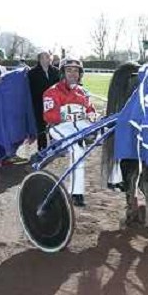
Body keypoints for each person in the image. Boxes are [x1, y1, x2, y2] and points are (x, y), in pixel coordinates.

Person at [43, 58, 97, 207]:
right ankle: (76, 193)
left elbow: (91, 110)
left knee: (111, 135)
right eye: (69, 70)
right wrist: (69, 115)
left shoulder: (84, 92)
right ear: (63, 73)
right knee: (77, 150)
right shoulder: (52, 91)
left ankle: (116, 180)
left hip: (79, 126)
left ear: (80, 74)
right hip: (60, 127)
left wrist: (92, 115)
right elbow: (49, 116)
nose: (73, 74)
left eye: (76, 71)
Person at [28, 50, 60, 151]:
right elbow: (30, 88)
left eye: (48, 57)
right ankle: (42, 147)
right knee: (41, 126)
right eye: (45, 57)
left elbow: (59, 86)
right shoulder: (32, 72)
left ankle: (54, 144)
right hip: (38, 103)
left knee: (53, 123)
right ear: (40, 59)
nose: (47, 59)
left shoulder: (56, 71)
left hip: (53, 103)